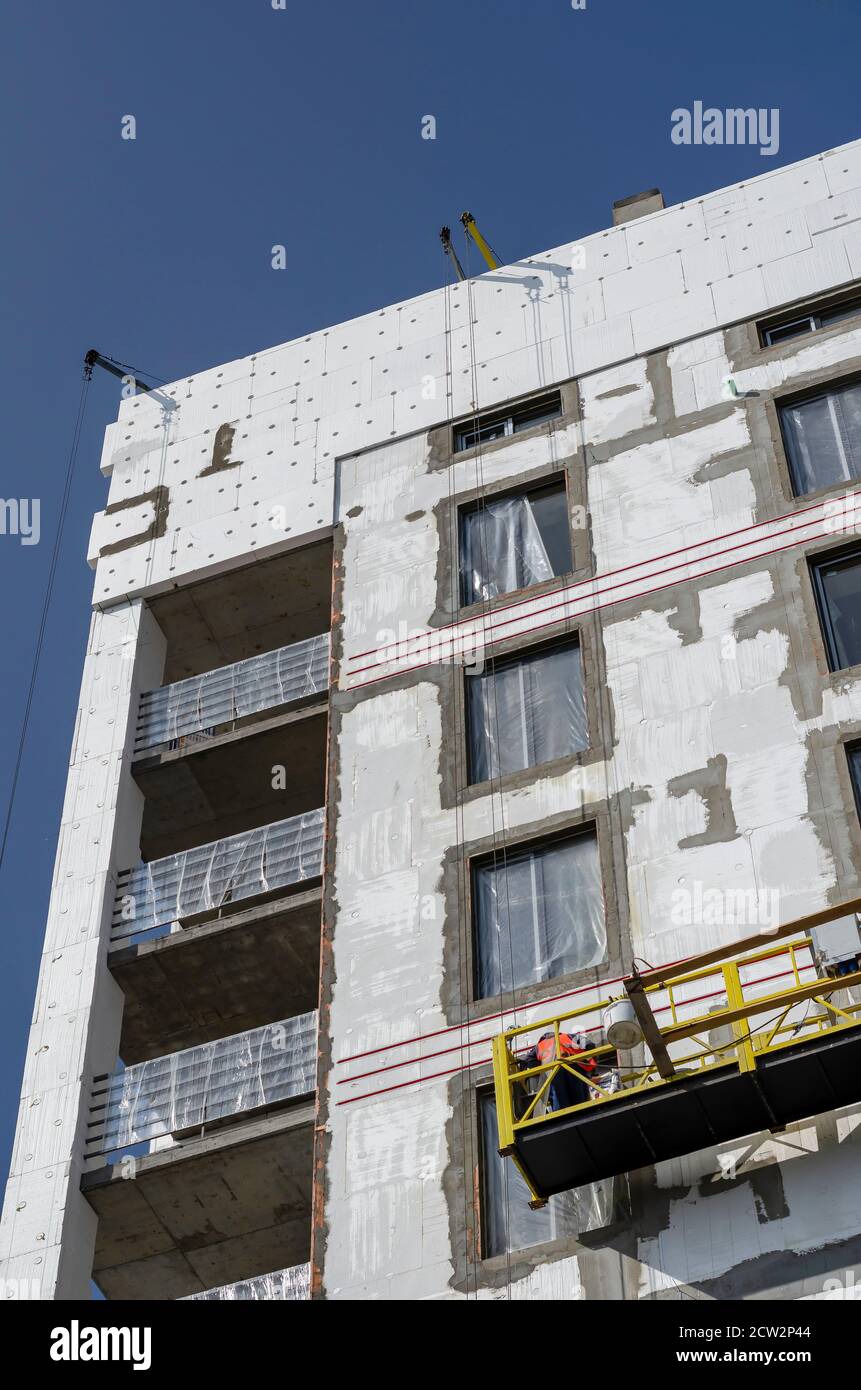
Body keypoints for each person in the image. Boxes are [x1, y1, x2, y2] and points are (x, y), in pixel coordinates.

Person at [521, 1029, 597, 1113]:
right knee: (581, 1103)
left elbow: (527, 1061)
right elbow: (589, 1044)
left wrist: (541, 1069)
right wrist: (591, 1068)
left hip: (554, 1072)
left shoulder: (539, 1046)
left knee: (560, 1105)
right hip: (574, 1067)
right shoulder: (568, 1036)